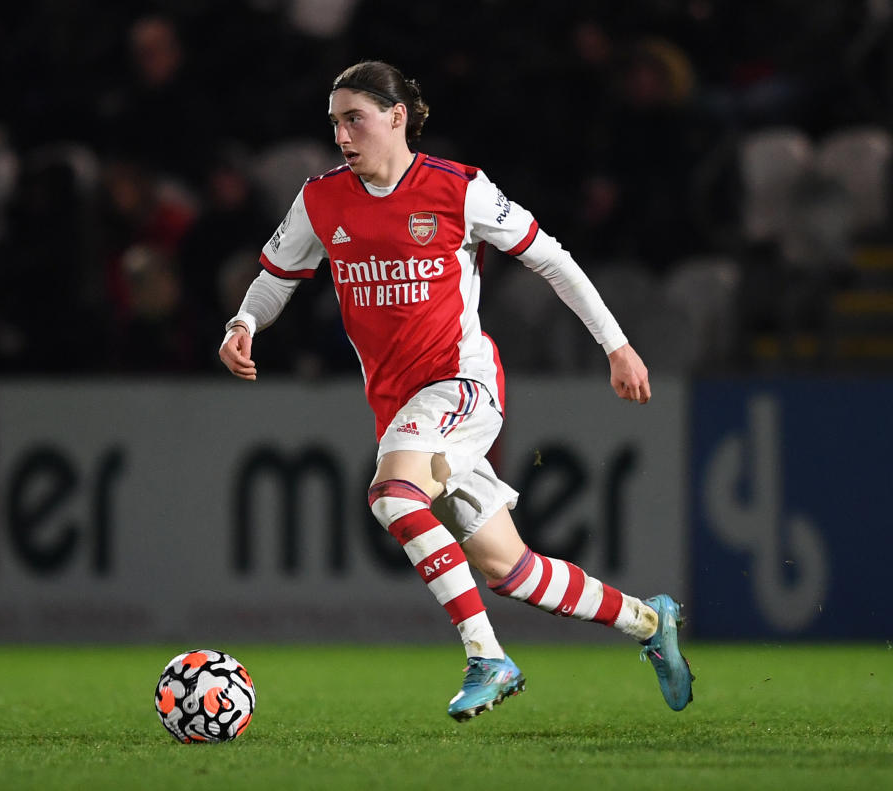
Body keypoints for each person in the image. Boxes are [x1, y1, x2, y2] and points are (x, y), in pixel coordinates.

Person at [219, 60, 693, 720]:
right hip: (399, 405)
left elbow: (549, 256)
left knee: (392, 495)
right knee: (511, 569)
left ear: (396, 116)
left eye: (354, 118)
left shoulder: (457, 189)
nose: (343, 136)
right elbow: (276, 276)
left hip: (460, 383)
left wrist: (617, 346)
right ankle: (650, 622)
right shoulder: (321, 200)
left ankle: (486, 657)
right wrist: (244, 320)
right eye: (334, 123)